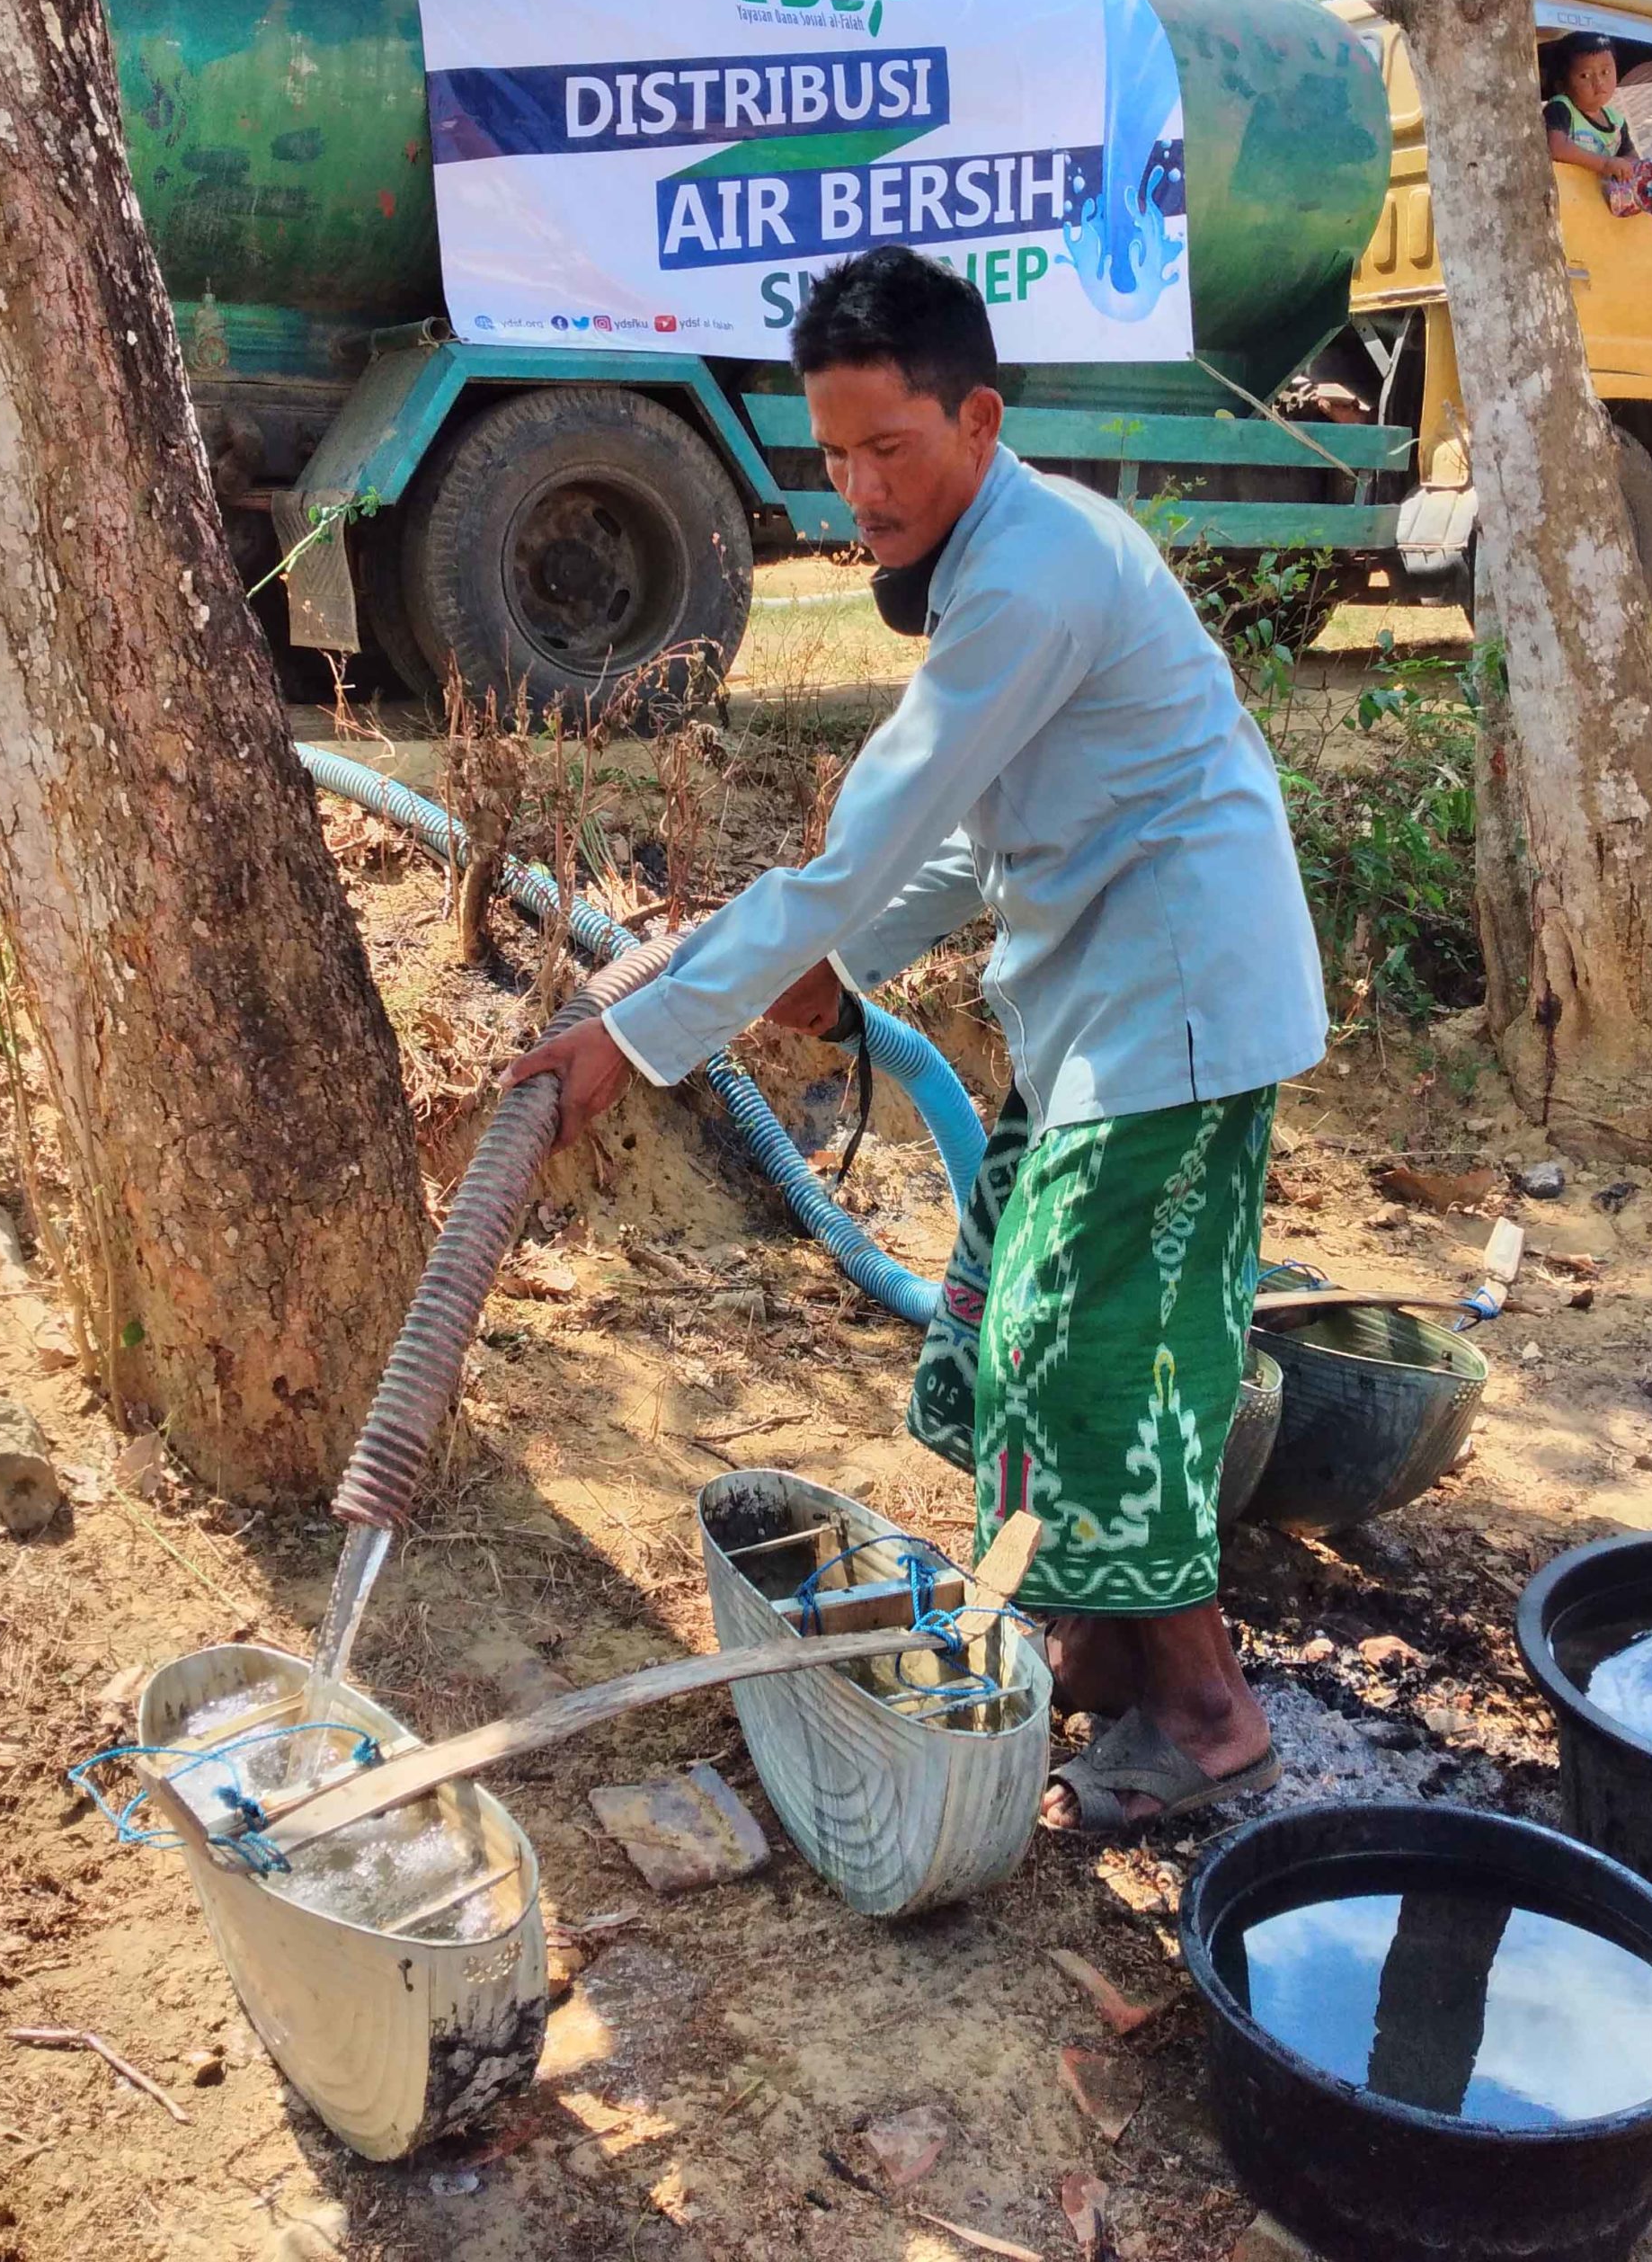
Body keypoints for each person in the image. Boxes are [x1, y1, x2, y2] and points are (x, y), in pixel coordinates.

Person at [501, 245, 1328, 1836]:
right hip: (1100, 1005)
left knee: (1082, 1359)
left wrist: (642, 1035)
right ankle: (1089, 1647)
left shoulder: (1027, 577)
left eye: (889, 448)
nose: (858, 487)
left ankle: (1208, 1714)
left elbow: (862, 849)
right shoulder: (1001, 561)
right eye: (832, 453)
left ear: (976, 418)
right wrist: (825, 972)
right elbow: (956, 849)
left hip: (1174, 1011)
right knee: (1005, 1325)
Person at [1544, 31, 1638, 183]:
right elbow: (1556, 147)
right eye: (1585, 76)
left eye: (1605, 72)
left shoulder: (1616, 121)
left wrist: (1624, 166)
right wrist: (1604, 164)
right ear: (1561, 83)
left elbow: (1632, 158)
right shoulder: (1561, 107)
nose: (1599, 83)